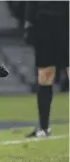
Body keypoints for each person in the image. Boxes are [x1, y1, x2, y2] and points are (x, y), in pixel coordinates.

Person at [24, 1, 69, 138]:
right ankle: (44, 128)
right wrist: (28, 23)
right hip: (43, 25)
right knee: (45, 75)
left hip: (66, 22)